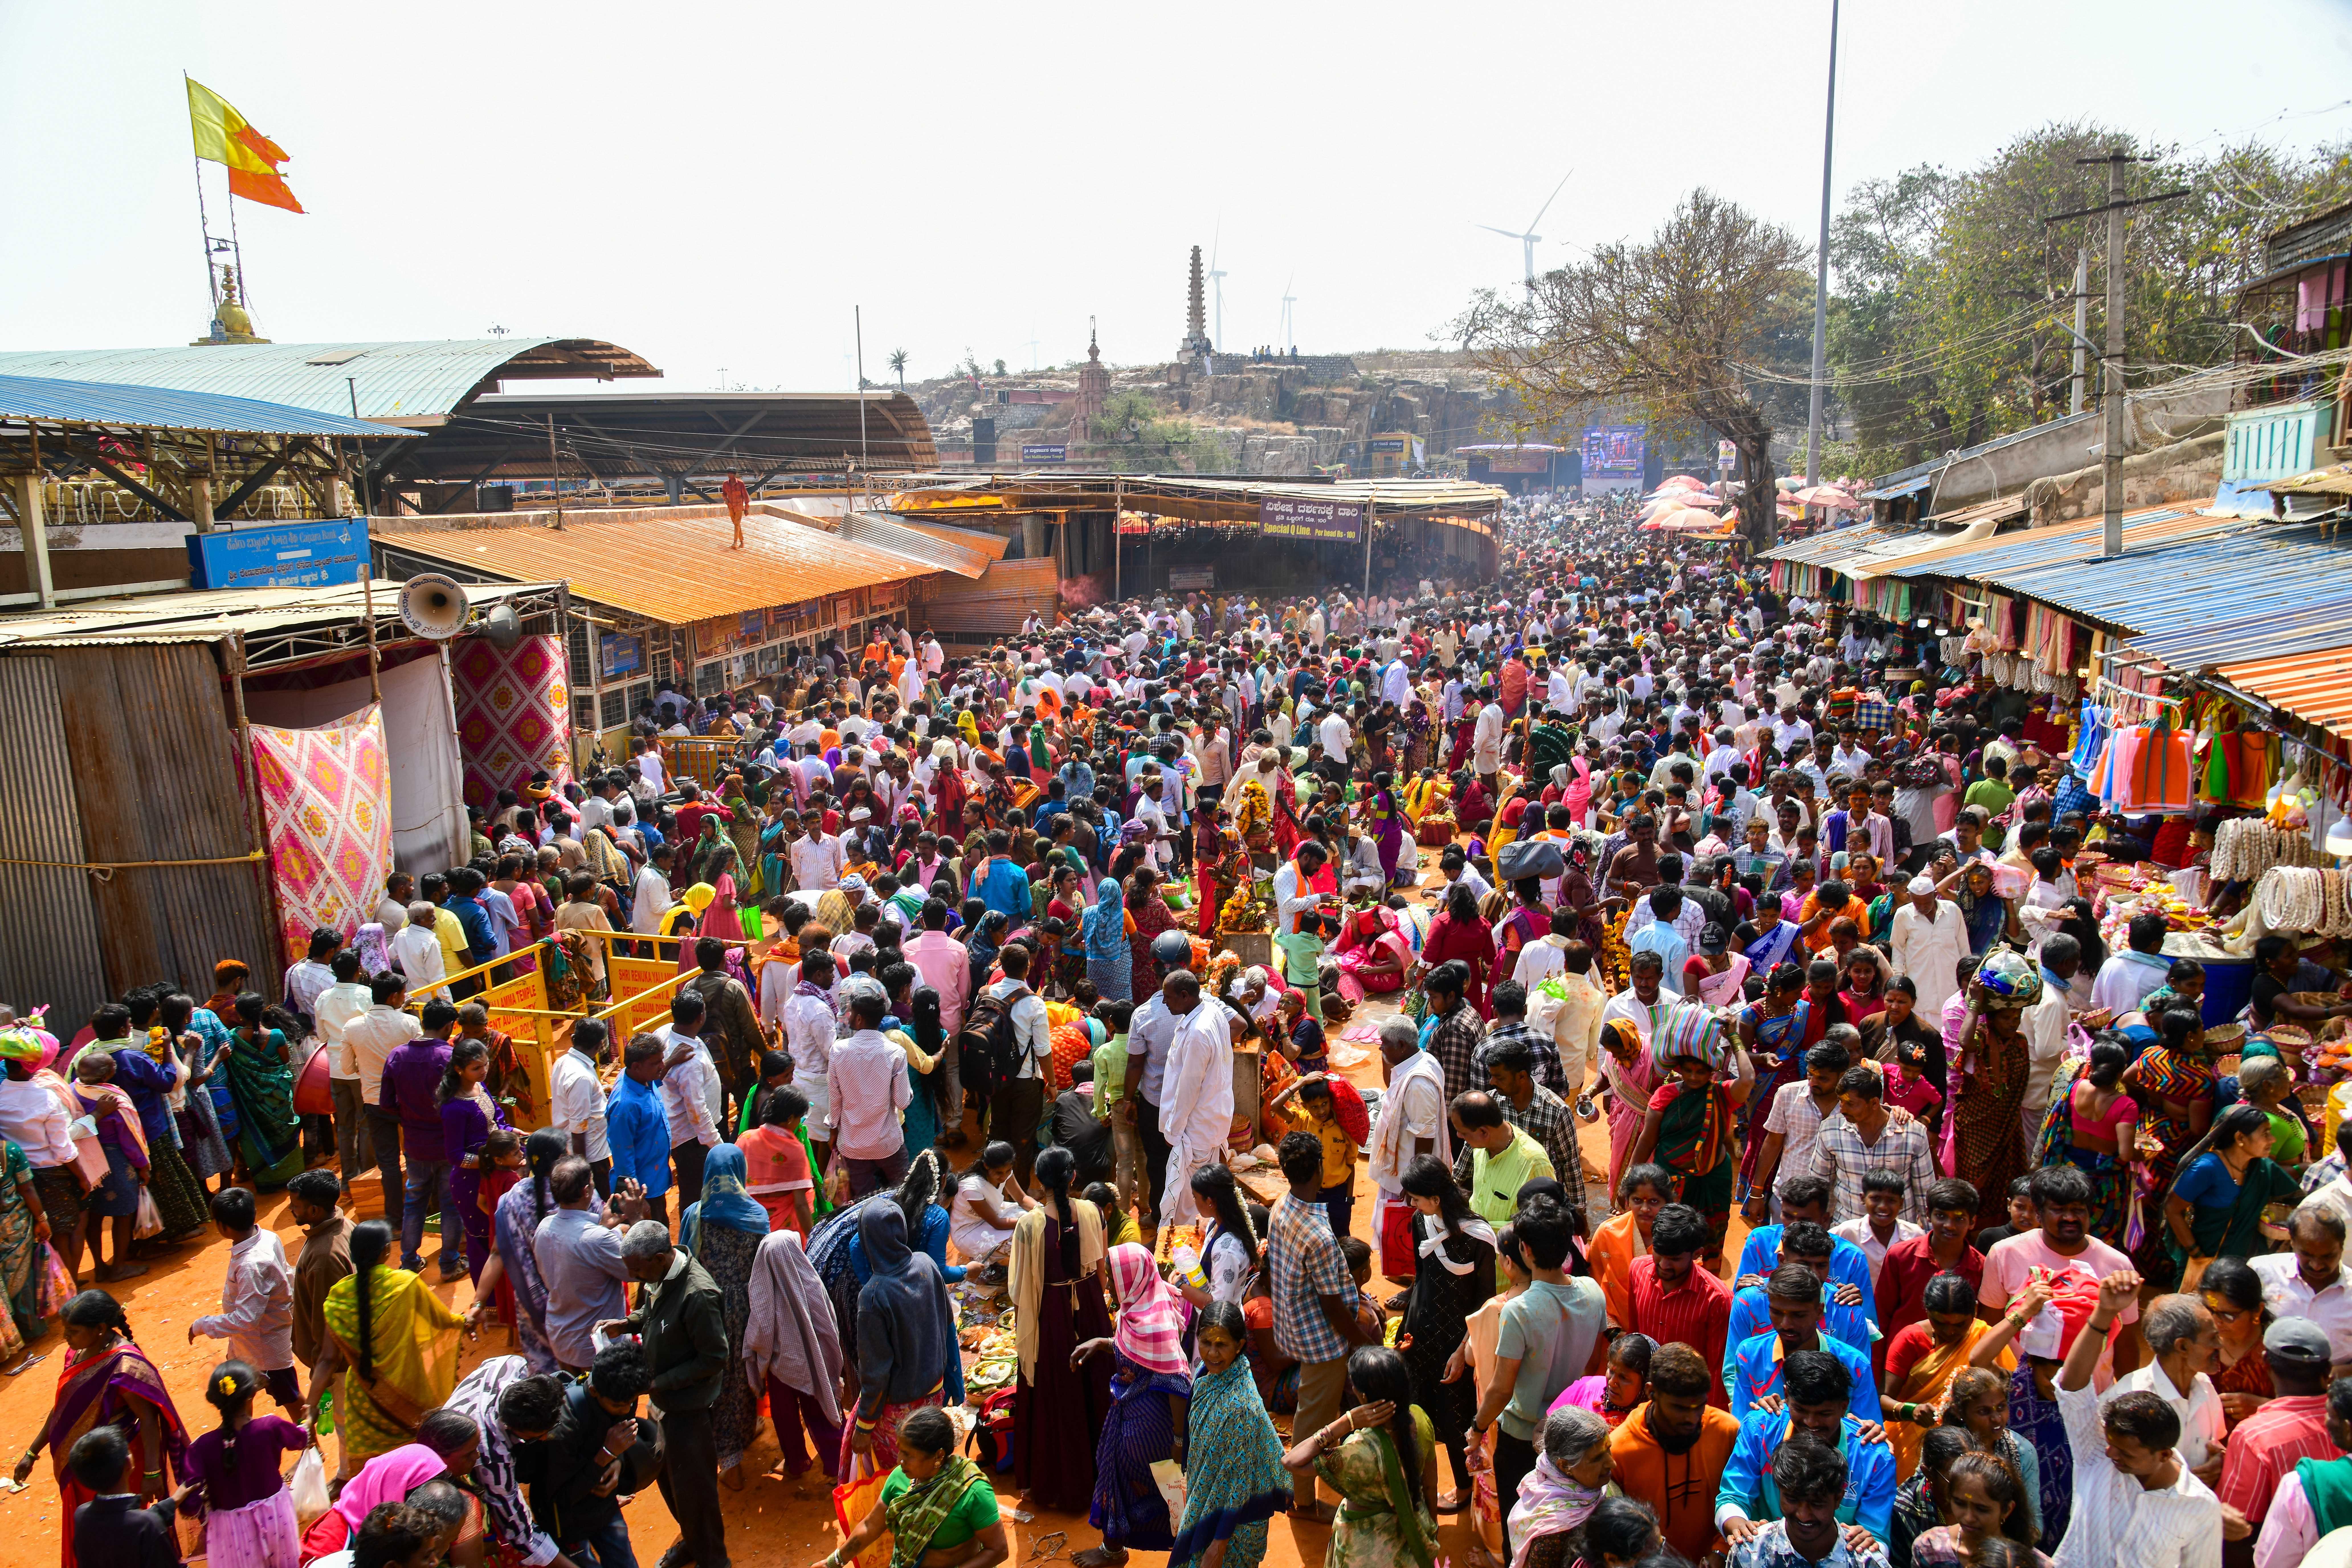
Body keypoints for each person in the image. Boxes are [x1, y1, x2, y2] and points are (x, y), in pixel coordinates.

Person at [2053, 1269, 2220, 1568]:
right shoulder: (2097, 1457)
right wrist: (2104, 1312)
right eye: (2213, 1338)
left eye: (2126, 1452)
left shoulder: (2199, 1507)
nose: (2110, 1452)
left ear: (2166, 1454)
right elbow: (2072, 1389)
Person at [14, 1291, 190, 1568]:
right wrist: (32, 1451)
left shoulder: (125, 1364)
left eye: (72, 1331)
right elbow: (61, 1408)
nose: (65, 1337)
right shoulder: (75, 1354)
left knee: (125, 1531)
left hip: (117, 1460)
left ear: (100, 1329)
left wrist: (152, 1473)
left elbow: (149, 1417)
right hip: (86, 1465)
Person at [1473, 1199, 1605, 1548]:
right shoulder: (1593, 1291)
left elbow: (1501, 1389)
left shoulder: (1519, 1310)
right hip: (1575, 1432)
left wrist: (1477, 1428)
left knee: (1520, 1530)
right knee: (1568, 1530)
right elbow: (1594, 1365)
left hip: (1521, 1437)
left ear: (1525, 1250)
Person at [601, 1218, 732, 1568]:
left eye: (637, 1269)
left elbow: (715, 1357)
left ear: (660, 1257)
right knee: (669, 1483)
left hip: (688, 1411)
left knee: (696, 1494)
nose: (633, 1277)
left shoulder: (698, 1295)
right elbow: (652, 1308)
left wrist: (659, 1383)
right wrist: (628, 1322)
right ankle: (691, 1542)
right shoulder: (658, 1276)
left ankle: (713, 1560)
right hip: (661, 1404)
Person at [1270, 1128, 1381, 1518]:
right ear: (1319, 1169)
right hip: (1322, 1341)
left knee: (1320, 1411)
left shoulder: (1283, 1207)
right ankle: (1302, 1501)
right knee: (1312, 1421)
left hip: (1295, 1328)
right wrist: (1364, 1344)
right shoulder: (1318, 1235)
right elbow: (1333, 1305)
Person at [317, 1218, 473, 1478]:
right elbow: (442, 1322)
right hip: (409, 1390)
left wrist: (311, 1407)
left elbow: (326, 1359)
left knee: (378, 1478)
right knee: (421, 1470)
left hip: (363, 1402)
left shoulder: (337, 1297)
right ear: (387, 1251)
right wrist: (468, 1321)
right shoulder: (406, 1285)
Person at [1073, 1243, 1195, 1567]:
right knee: (1129, 1480)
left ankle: (1185, 1551)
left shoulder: (1156, 1325)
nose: (1110, 1285)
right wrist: (1103, 1343)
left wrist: (1179, 1442)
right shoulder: (1138, 1307)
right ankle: (1116, 1548)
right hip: (1129, 1412)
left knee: (1163, 1488)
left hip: (1152, 1426)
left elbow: (1178, 1384)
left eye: (1114, 1278)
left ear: (1133, 1278)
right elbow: (1136, 1351)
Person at [1008, 1146, 1112, 1512]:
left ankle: (1060, 1482)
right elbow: (1101, 1276)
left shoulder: (1029, 1225)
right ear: (1073, 1177)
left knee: (1058, 1394)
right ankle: (1106, 1475)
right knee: (1095, 1389)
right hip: (1090, 1312)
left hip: (1050, 1316)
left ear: (1039, 1181)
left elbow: (1020, 1293)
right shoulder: (1092, 1212)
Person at [1718, 1346, 1897, 1547]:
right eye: (1801, 1410)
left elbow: (1877, 1538)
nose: (1811, 1423)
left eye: (1824, 1414)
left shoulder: (1875, 1458)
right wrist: (1741, 1528)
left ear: (1844, 1406)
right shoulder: (1759, 1430)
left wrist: (1868, 1544)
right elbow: (1732, 1497)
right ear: (1786, 1396)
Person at [1279, 1344, 1439, 1568]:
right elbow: (1431, 1488)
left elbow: (1292, 1461)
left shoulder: (1358, 1451)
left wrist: (1347, 1421)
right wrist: (1429, 1534)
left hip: (1366, 1552)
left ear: (1363, 1396)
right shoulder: (1420, 1419)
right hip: (1412, 1538)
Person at [1396, 1153, 1495, 1507]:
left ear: (1436, 1199)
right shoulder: (1420, 1222)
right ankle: (1420, 1484)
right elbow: (1421, 1277)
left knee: (1456, 1421)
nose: (1412, 1204)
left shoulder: (1479, 1238)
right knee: (1417, 1413)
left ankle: (1466, 1490)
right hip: (1421, 1334)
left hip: (1457, 1341)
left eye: (1417, 1198)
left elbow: (1485, 1304)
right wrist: (1406, 1326)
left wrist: (1461, 1351)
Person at [1169, 1299, 1292, 1568]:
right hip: (1210, 1502)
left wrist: (1218, 1544)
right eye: (1206, 1343)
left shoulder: (1240, 1407)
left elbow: (1238, 1483)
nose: (1212, 1353)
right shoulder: (1209, 1374)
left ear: (1239, 1345)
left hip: (1235, 1525)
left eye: (1222, 1345)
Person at [843, 1199, 962, 1477]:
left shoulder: (873, 1295)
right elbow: (947, 1324)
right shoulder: (926, 1264)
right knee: (930, 1465)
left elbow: (876, 1370)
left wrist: (865, 1427)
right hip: (934, 1394)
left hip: (899, 1410)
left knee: (902, 1475)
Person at [1627, 1003, 1751, 1258]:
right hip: (1671, 1181)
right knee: (1670, 1241)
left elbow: (1748, 1079)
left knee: (1711, 1237)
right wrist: (1629, 1181)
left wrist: (1734, 1038)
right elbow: (1648, 1139)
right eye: (1689, 1071)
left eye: (1702, 1072)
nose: (1695, 1077)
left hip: (1713, 1178)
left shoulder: (1722, 1093)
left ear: (1713, 1071)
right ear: (1679, 1069)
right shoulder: (1666, 1095)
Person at [680, 1142, 771, 1487]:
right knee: (740, 1376)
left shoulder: (693, 1214)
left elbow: (684, 1260)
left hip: (704, 1306)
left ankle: (719, 1453)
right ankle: (736, 1448)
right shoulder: (755, 1216)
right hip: (745, 1308)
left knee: (709, 1376)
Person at [1608, 1341, 1743, 1564]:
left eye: (1699, 1406)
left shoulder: (1727, 1431)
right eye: (1679, 1408)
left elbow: (1743, 1498)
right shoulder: (1619, 1450)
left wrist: (1721, 1552)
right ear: (1651, 1392)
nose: (1692, 1419)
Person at [822, 1406, 1008, 1568]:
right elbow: (872, 1526)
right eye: (900, 1451)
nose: (899, 1461)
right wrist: (834, 1562)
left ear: (938, 1456)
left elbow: (998, 1550)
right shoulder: (899, 1478)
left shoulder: (972, 1491)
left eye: (909, 1455)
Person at [185, 1186, 300, 1417]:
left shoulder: (250, 1265)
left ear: (222, 1227)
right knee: (239, 1393)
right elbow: (288, 1276)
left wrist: (203, 1325)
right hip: (249, 1343)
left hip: (265, 1349)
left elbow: (246, 1319)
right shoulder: (269, 1237)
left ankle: (312, 1447)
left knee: (291, 1399)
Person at [185, 1358, 310, 1566]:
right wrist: (307, 1420)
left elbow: (190, 1505)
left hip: (231, 1531)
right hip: (277, 1519)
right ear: (252, 1394)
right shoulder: (271, 1426)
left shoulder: (200, 1448)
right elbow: (301, 1439)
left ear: (215, 1401)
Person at [1728, 1262, 1880, 1425]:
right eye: (1777, 1313)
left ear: (1819, 1312)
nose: (1786, 1324)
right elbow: (1741, 1428)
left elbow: (1868, 1435)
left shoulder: (1855, 1365)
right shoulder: (1749, 1355)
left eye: (1798, 1315)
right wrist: (1759, 1419)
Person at [2165, 1104, 2299, 1286]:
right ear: (2240, 1138)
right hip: (2206, 1260)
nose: (2273, 1140)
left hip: (2247, 1260)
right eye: (2265, 1134)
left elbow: (2297, 1199)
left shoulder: (2263, 1168)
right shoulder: (2207, 1168)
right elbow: (2172, 1209)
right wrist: (2196, 1254)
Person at [1728, 1434, 1894, 1568]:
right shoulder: (1749, 1554)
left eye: (1817, 1504)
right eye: (1792, 1500)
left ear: (1838, 1499)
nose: (1804, 1515)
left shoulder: (1867, 1562)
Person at [2252, 1374, 2352, 1568]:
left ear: (2349, 1429)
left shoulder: (2300, 1486)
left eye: (2330, 1415)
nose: (2325, 1421)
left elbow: (2272, 1564)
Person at [1507, 1406, 1618, 1568]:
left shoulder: (1598, 1484)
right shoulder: (1552, 1536)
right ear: (1565, 1466)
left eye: (1609, 1449)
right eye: (1597, 1459)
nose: (1612, 1464)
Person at [1906, 1450, 2045, 1567]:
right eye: (1960, 1504)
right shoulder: (1930, 1548)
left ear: (2007, 1510)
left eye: (1982, 1509)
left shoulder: (2029, 1563)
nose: (1968, 1518)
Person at [950, 1141, 1035, 1271]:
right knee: (1023, 1236)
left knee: (1031, 1216)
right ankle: (982, 1260)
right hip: (969, 1232)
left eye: (1009, 1171)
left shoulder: (1005, 1173)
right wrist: (1032, 1221)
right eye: (999, 1173)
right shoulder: (972, 1188)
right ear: (986, 1166)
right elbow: (998, 1224)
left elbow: (1022, 1199)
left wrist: (1042, 1212)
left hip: (991, 1218)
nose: (1005, 1176)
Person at [1552, 1331, 1653, 1430]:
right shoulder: (1587, 1388)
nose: (1611, 1382)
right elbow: (1540, 1431)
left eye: (1624, 1378)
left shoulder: (1650, 1427)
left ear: (1645, 1385)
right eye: (1611, 1371)